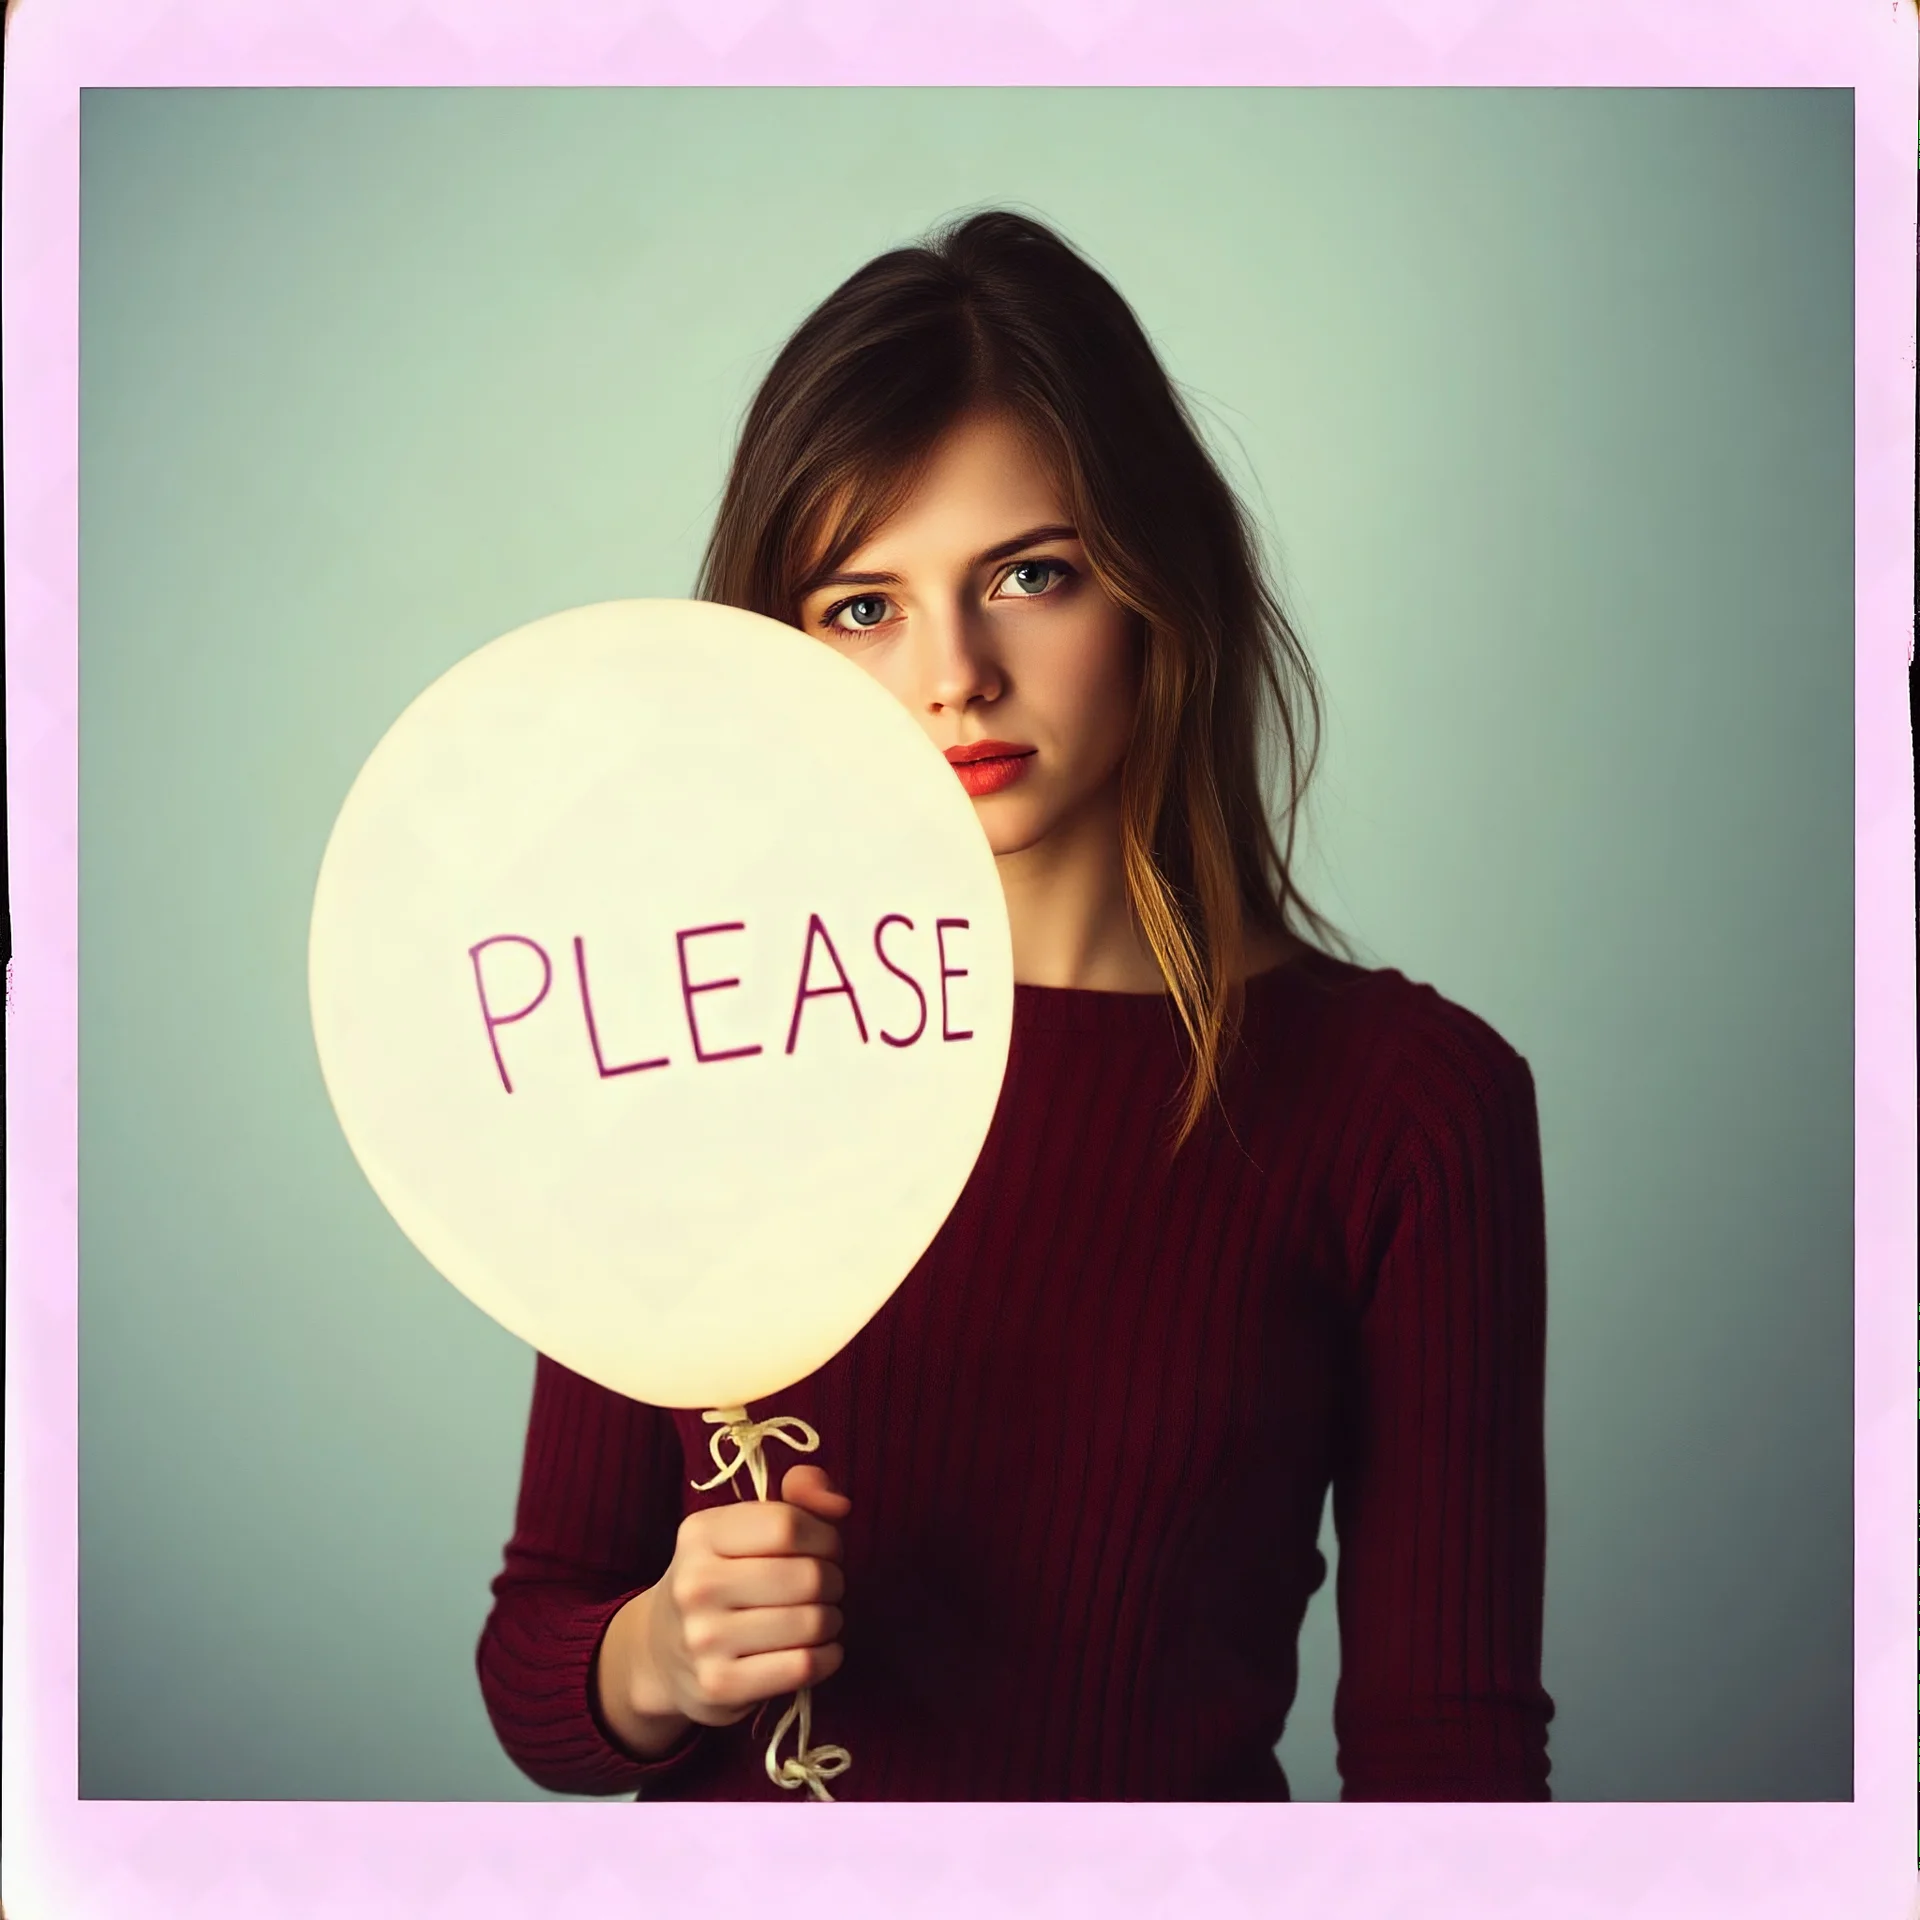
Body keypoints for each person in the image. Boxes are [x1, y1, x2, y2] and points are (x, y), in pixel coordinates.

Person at [476, 209, 1555, 1801]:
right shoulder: (690, 1030)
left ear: (1155, 588)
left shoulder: (1409, 1105)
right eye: (863, 604)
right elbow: (539, 1653)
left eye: (1030, 576)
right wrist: (657, 1657)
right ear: (775, 653)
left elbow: (1445, 1760)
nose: (954, 672)